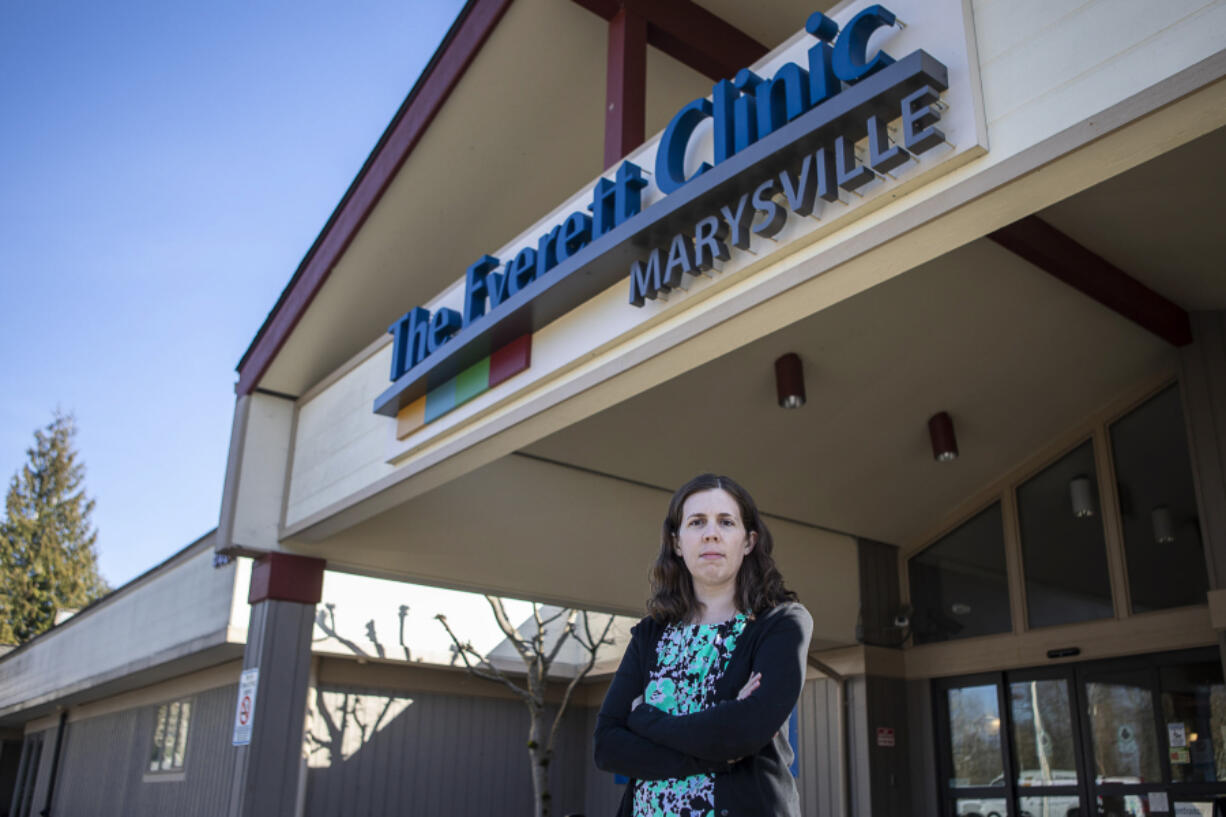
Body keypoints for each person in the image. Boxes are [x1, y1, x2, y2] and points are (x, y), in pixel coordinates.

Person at [593, 473, 813, 817]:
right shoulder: (651, 634)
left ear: (748, 541)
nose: (711, 532)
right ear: (678, 543)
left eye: (726, 522)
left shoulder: (780, 624)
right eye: (697, 522)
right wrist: (715, 753)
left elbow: (744, 732)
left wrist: (646, 720)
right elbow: (607, 745)